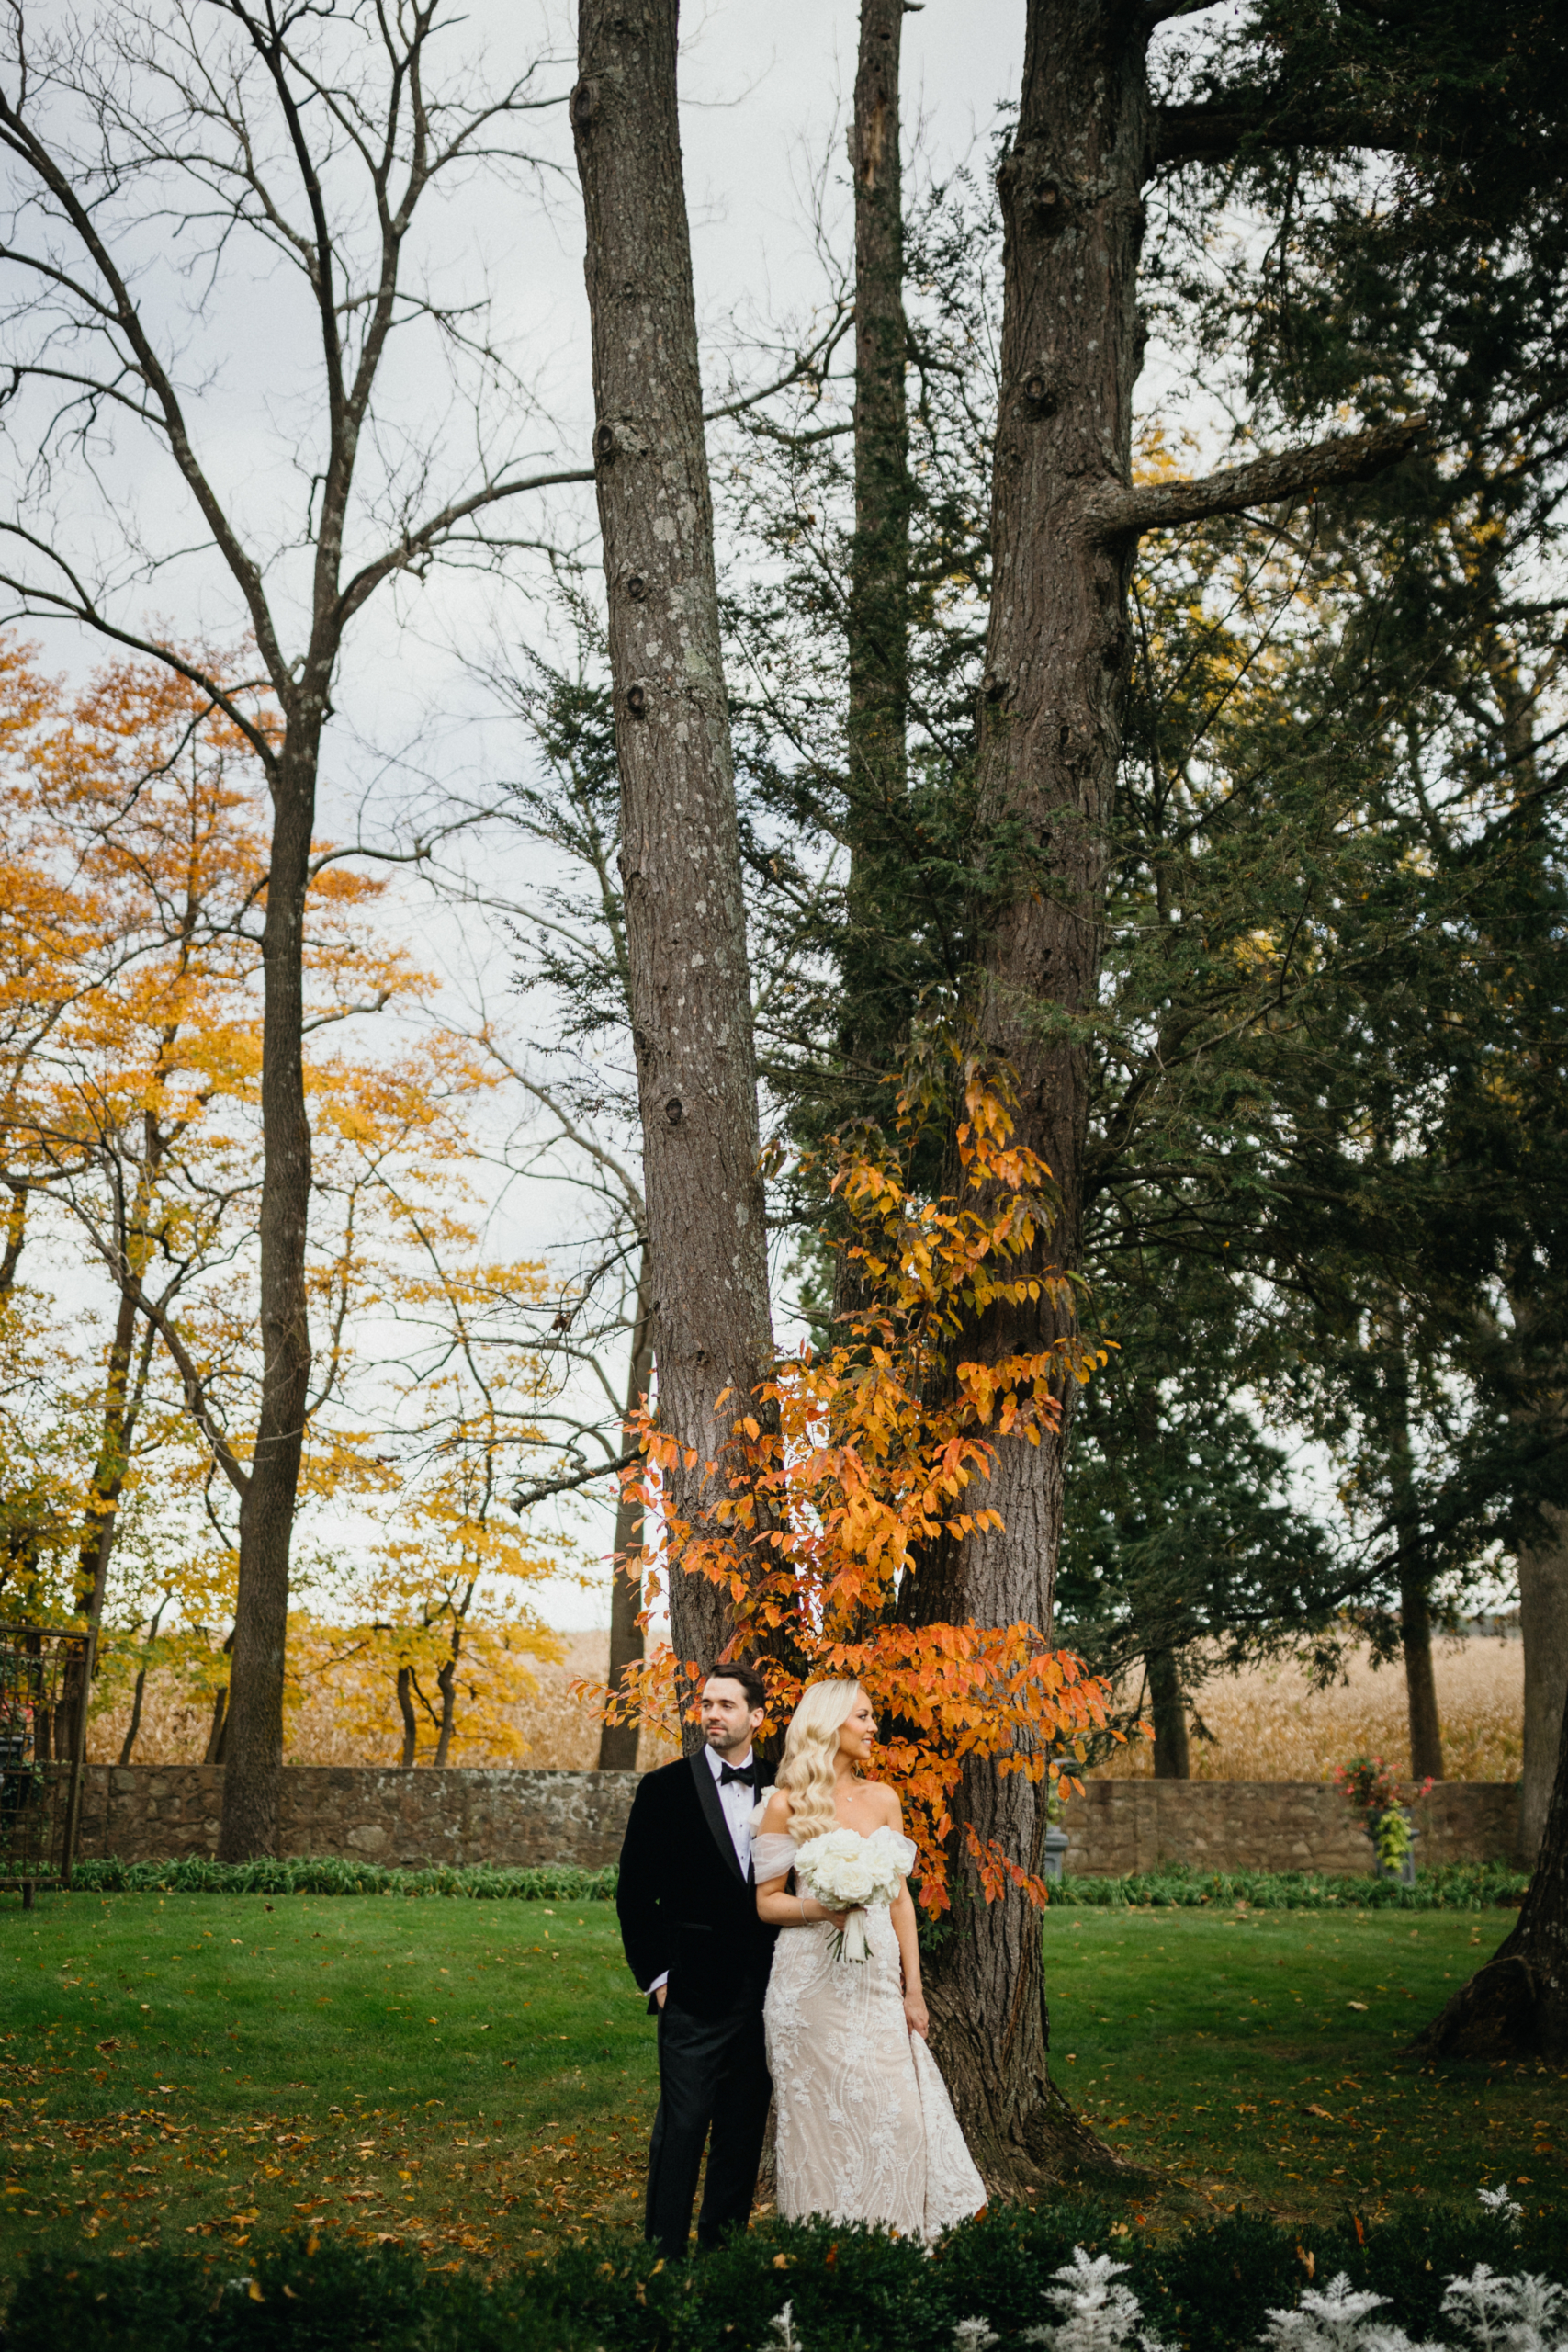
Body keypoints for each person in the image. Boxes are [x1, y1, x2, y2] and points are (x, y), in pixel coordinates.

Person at [752, 1679, 987, 2239]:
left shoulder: (884, 1799)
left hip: (876, 1982)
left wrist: (915, 1988)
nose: (874, 1727)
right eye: (863, 1716)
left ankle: (898, 2242)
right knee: (818, 2127)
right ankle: (823, 2247)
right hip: (808, 1988)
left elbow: (901, 1897)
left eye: (873, 1716)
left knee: (895, 2117)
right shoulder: (786, 1804)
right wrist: (822, 1908)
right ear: (830, 1723)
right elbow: (766, 1903)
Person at [615, 1661, 777, 2260]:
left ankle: (721, 2252)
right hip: (691, 1991)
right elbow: (635, 1895)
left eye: (725, 1705)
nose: (711, 1714)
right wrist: (658, 1979)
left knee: (740, 2130)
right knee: (681, 2127)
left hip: (764, 1994)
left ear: (755, 1717)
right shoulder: (663, 1790)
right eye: (706, 1704)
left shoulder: (782, 1787)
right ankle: (664, 2254)